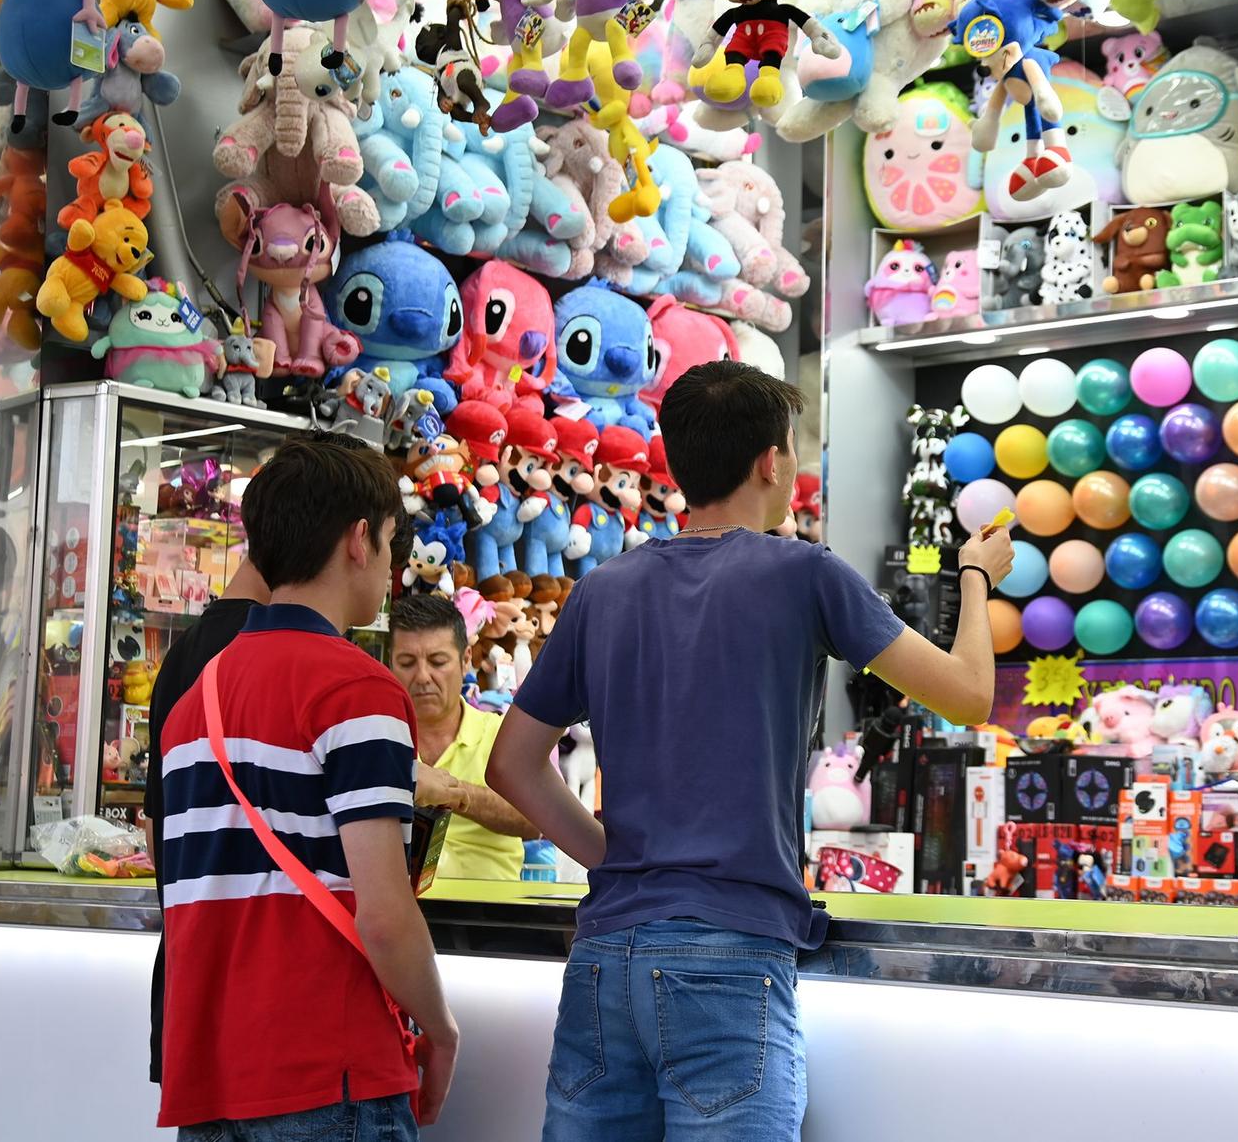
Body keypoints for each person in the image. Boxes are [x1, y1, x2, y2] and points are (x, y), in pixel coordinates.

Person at [487, 360, 1014, 1141]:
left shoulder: (605, 587)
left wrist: (611, 856)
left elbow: (510, 764)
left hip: (604, 957)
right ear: (772, 460)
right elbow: (968, 691)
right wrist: (974, 577)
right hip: (727, 955)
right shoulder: (804, 574)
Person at [156, 432, 459, 1139]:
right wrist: (441, 1028)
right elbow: (383, 915)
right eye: (390, 542)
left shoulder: (195, 700)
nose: (390, 566)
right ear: (360, 540)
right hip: (332, 1067)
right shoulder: (358, 688)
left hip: (210, 1081)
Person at [143, 556, 269, 1084]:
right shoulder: (276, 651)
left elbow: (157, 829)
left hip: (189, 980)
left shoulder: (183, 654)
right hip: (261, 998)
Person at [388, 592, 538, 880]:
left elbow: (536, 821)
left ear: (465, 660)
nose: (422, 676)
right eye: (407, 662)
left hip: (488, 914)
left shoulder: (501, 735)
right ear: (389, 664)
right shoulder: (377, 739)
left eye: (437, 661)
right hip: (403, 913)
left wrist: (453, 793)